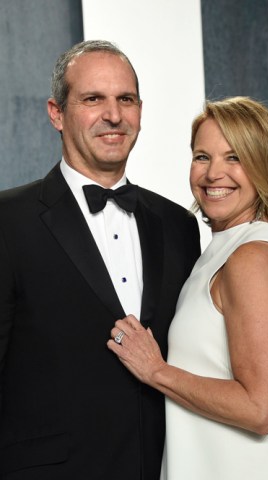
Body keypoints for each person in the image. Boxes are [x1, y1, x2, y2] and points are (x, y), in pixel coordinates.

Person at [108, 97, 268, 479]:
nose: (213, 173)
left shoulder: (249, 256)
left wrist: (155, 371)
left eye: (234, 157)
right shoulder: (228, 247)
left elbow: (260, 409)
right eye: (202, 156)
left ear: (265, 167)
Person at [0, 40, 200, 479]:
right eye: (93, 99)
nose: (113, 115)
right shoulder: (8, 220)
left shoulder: (179, 225)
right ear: (56, 112)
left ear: (140, 112)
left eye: (125, 99)